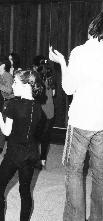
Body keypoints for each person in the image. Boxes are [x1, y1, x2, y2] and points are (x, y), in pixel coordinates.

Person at [49, 11, 103, 221]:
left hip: (80, 121)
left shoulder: (79, 52)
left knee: (74, 171)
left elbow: (69, 88)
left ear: (92, 28)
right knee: (100, 175)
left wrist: (62, 62)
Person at [0, 70, 45, 221]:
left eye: (15, 82)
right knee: (25, 192)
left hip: (14, 154)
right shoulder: (39, 107)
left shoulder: (13, 104)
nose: (12, 85)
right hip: (32, 154)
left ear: (26, 85)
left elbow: (7, 131)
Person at [33, 56, 55, 169]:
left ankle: (34, 159)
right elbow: (53, 93)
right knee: (45, 137)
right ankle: (42, 160)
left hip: (40, 110)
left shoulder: (37, 79)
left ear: (37, 67)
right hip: (50, 110)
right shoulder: (50, 78)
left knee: (34, 136)